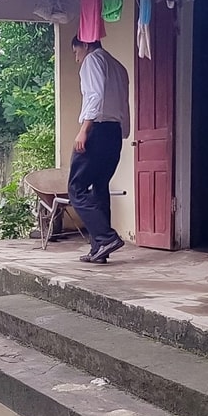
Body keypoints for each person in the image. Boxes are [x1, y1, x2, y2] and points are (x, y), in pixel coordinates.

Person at [69, 35, 131, 264]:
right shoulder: (118, 66)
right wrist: (123, 132)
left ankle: (105, 237)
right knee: (100, 186)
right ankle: (99, 249)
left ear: (85, 45)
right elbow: (124, 102)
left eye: (76, 52)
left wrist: (84, 129)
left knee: (76, 186)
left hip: (97, 128)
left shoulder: (93, 60)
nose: (76, 59)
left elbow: (94, 95)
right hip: (113, 132)